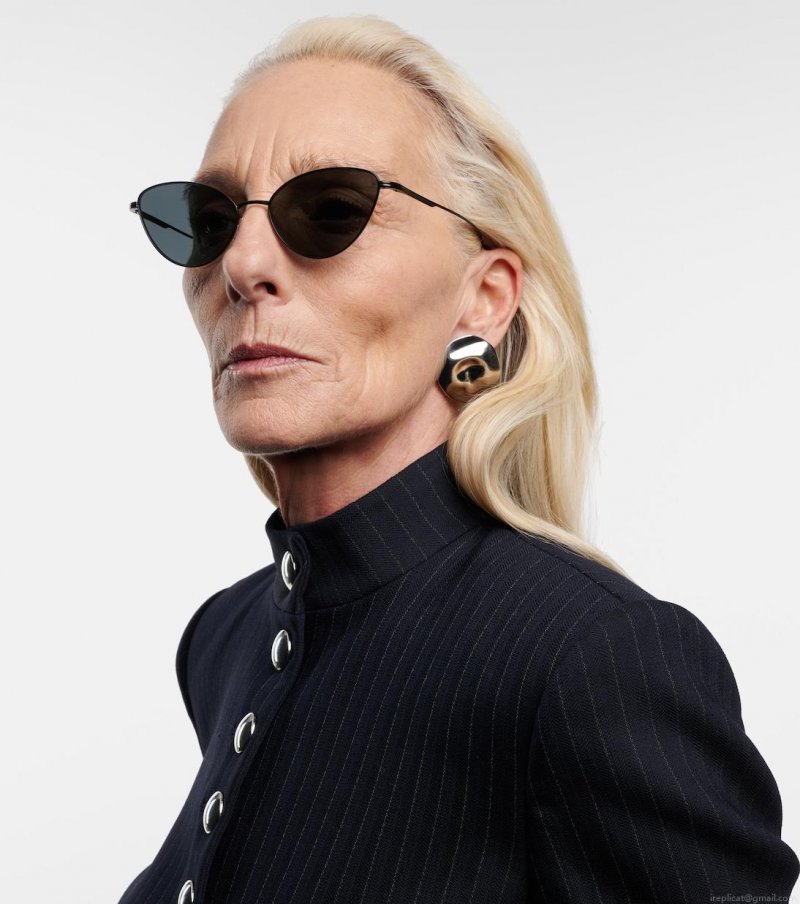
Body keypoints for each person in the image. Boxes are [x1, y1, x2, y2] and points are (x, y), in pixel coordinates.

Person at [121, 14, 799, 904]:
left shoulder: (587, 658)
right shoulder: (224, 639)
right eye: (210, 220)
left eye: (332, 210)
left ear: (483, 298)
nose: (243, 264)